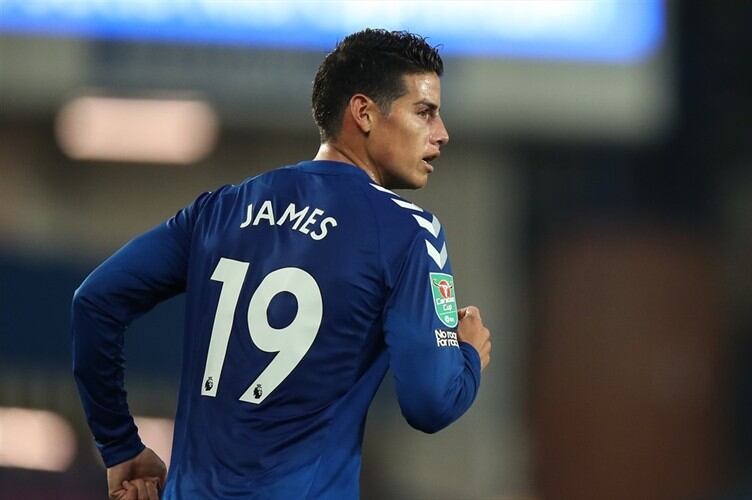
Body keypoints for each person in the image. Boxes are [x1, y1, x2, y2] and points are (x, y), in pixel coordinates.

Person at [71, 28, 492, 500]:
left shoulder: (221, 209)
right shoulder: (409, 232)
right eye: (425, 112)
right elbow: (430, 403)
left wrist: (118, 443)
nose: (442, 133)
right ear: (365, 114)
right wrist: (469, 357)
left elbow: (95, 301)